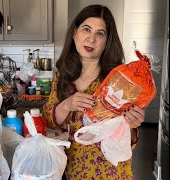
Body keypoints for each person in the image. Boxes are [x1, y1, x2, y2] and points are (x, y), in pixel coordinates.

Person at [43, 5, 145, 179]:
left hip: (110, 172)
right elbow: (51, 122)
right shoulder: (63, 74)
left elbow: (126, 138)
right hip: (71, 168)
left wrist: (133, 124)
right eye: (86, 29)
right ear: (75, 33)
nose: (91, 39)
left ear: (107, 41)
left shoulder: (120, 78)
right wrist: (68, 104)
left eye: (100, 33)